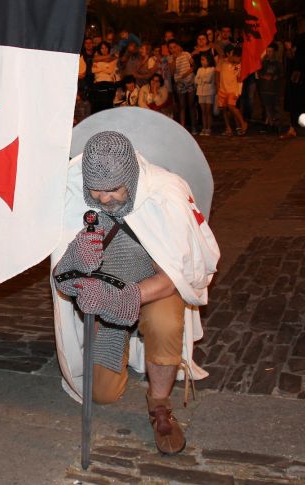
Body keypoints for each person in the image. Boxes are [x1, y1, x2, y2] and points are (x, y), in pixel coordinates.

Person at [52, 131, 219, 454]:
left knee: (165, 324)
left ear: (128, 176)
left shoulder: (162, 196)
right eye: (96, 191)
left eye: (112, 190)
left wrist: (121, 299)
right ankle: (116, 343)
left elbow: (173, 276)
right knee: (102, 394)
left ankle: (159, 403)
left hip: (153, 290)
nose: (102, 199)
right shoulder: (75, 193)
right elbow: (61, 273)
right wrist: (73, 261)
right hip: (104, 298)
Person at [168, 39, 198, 134]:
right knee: (182, 106)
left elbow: (194, 66)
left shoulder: (186, 54)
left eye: (175, 47)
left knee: (191, 105)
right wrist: (174, 59)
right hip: (179, 83)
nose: (173, 49)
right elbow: (172, 72)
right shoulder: (170, 58)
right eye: (171, 48)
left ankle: (194, 127)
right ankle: (183, 129)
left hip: (189, 81)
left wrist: (187, 73)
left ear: (178, 46)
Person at [217, 45, 247, 136]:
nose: (239, 59)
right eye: (237, 57)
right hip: (222, 89)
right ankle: (228, 128)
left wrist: (238, 91)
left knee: (231, 106)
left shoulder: (239, 65)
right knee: (224, 109)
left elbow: (240, 79)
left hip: (232, 90)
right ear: (229, 54)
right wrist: (217, 84)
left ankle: (243, 123)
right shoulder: (222, 62)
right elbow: (217, 73)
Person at [257, 44, 283, 134]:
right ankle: (271, 125)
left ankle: (277, 125)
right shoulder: (264, 63)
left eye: (270, 51)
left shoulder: (278, 63)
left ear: (274, 52)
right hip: (265, 88)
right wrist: (264, 76)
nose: (269, 53)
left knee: (276, 107)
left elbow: (281, 74)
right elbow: (259, 73)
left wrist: (275, 77)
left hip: (274, 89)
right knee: (267, 107)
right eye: (267, 51)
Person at [90, 42, 119, 114]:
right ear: (99, 49)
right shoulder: (96, 57)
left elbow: (110, 70)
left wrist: (100, 66)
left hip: (108, 83)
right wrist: (105, 67)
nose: (104, 49)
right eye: (102, 48)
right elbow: (93, 70)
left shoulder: (114, 58)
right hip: (98, 83)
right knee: (97, 107)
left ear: (108, 48)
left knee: (107, 106)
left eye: (106, 47)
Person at [195, 53, 216, 136]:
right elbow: (196, 80)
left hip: (209, 92)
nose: (202, 62)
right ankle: (204, 128)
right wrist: (201, 80)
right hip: (200, 92)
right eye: (201, 60)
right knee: (203, 112)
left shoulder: (212, 69)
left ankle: (209, 128)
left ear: (209, 60)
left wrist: (201, 80)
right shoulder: (199, 69)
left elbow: (208, 79)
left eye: (203, 60)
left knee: (208, 111)